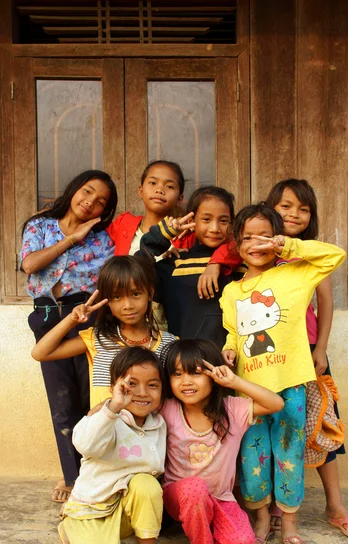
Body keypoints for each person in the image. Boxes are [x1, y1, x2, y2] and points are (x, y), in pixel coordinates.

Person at [220, 202, 346, 544]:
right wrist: (230, 350)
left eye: (264, 235)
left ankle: (289, 523)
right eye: (247, 237)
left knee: (289, 454)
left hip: (291, 384)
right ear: (237, 244)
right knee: (252, 455)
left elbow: (335, 255)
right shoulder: (232, 291)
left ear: (277, 239)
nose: (255, 243)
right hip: (251, 391)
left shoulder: (296, 273)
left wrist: (287, 247)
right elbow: (233, 331)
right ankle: (261, 518)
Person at [265, 179, 348, 540]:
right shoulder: (257, 247)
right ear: (270, 209)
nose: (294, 214)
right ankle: (277, 506)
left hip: (306, 353)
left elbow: (325, 300)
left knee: (322, 426)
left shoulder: (310, 251)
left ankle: (335, 505)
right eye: (285, 206)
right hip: (267, 358)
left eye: (303, 209)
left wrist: (321, 348)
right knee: (275, 428)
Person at [20, 170, 117, 503]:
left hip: (86, 315)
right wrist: (71, 240)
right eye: (87, 192)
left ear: (104, 210)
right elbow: (30, 264)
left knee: (92, 397)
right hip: (48, 314)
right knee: (61, 402)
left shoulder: (103, 239)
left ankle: (94, 472)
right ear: (74, 189)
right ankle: (72, 477)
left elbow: (110, 279)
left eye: (100, 201)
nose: (89, 202)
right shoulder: (40, 226)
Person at [160, 339, 284, 544]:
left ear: (214, 375)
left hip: (220, 498)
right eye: (177, 374)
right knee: (195, 488)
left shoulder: (232, 410)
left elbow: (276, 403)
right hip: (178, 496)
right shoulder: (168, 408)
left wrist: (234, 381)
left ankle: (205, 531)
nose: (186, 381)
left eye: (196, 373)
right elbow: (136, 405)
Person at [58, 347, 171, 544]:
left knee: (147, 484)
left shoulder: (158, 423)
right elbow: (85, 445)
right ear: (115, 387)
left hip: (123, 512)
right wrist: (112, 408)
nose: (142, 393)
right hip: (91, 510)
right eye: (132, 384)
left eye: (152, 385)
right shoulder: (107, 418)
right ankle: (70, 530)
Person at [32, 255, 176, 409]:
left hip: (152, 431)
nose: (128, 305)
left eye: (135, 294)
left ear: (149, 293)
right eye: (117, 297)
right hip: (106, 431)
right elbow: (41, 353)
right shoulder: (98, 339)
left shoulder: (169, 344)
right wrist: (72, 319)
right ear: (107, 302)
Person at [138, 186, 237, 349]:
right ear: (191, 221)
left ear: (232, 224)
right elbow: (134, 274)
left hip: (236, 364)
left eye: (223, 221)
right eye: (206, 219)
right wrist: (161, 237)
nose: (215, 228)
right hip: (185, 365)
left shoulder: (242, 264)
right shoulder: (176, 263)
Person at [107, 160, 185, 256]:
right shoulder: (124, 223)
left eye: (169, 186)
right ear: (141, 191)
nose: (159, 190)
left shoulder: (184, 235)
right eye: (152, 183)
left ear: (180, 199)